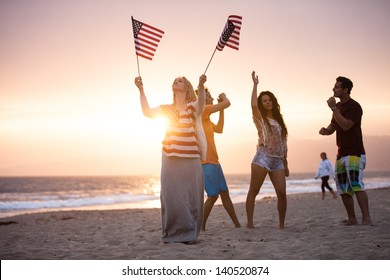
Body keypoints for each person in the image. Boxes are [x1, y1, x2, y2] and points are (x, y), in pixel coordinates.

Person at [134, 74, 207, 244]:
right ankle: (173, 234)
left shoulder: (192, 107)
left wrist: (201, 86)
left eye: (180, 80)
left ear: (187, 87)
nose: (176, 81)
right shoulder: (166, 109)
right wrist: (141, 90)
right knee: (171, 197)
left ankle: (189, 234)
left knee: (190, 197)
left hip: (190, 158)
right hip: (170, 157)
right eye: (175, 80)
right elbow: (147, 112)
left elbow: (202, 104)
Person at [319, 76, 373, 226]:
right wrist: (325, 131)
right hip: (341, 153)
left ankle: (366, 219)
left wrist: (333, 108)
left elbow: (347, 125)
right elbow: (334, 126)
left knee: (356, 185)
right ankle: (352, 219)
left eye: (336, 87)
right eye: (334, 86)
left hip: (355, 152)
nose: (333, 89)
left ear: (345, 90)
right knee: (343, 188)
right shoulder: (339, 108)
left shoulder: (354, 106)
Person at [246, 71, 289, 229]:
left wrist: (286, 162)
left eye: (269, 99)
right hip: (263, 157)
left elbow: (283, 143)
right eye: (264, 101)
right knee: (254, 190)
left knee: (282, 194)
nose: (267, 102)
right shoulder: (260, 120)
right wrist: (255, 85)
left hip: (278, 160)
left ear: (273, 101)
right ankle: (250, 223)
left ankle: (282, 224)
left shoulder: (279, 121)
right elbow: (253, 105)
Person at [197, 88, 241, 231]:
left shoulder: (207, 117)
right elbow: (227, 103)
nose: (210, 97)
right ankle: (201, 226)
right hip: (205, 163)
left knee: (224, 193)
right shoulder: (202, 110)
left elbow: (220, 129)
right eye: (208, 95)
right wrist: (224, 98)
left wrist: (221, 110)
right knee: (213, 195)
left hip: (215, 162)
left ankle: (237, 224)